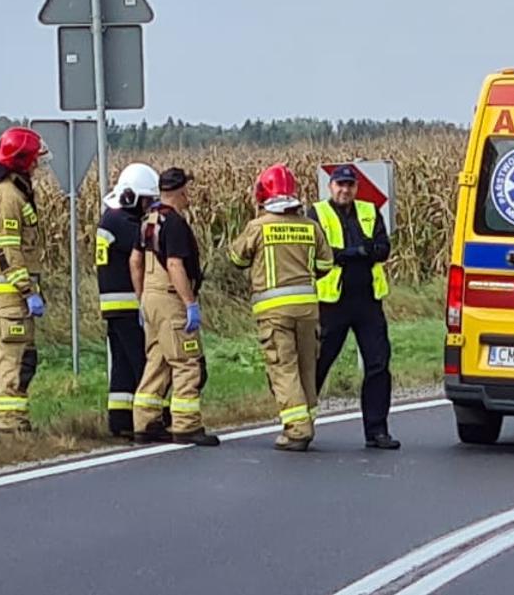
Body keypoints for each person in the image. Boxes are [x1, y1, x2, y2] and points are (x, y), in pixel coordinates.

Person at [230, 164, 334, 452]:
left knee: (283, 368)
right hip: (308, 310)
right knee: (305, 368)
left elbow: (237, 259)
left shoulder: (258, 226)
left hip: (274, 312)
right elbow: (326, 264)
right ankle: (307, 423)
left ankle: (297, 429)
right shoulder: (310, 226)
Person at [311, 166, 400, 450]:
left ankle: (377, 431)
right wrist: (358, 252)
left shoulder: (369, 211)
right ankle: (300, 423)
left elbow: (382, 249)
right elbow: (320, 254)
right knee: (319, 363)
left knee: (378, 363)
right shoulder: (316, 214)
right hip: (332, 301)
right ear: (330, 186)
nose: (344, 190)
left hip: (368, 301)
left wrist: (348, 254)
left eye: (349, 185)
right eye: (339, 185)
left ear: (356, 187)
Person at [131, 168, 219, 447]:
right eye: (187, 190)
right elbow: (174, 264)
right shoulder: (175, 224)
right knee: (186, 362)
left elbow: (135, 261)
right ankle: (185, 425)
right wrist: (189, 303)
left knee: (157, 361)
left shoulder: (148, 220)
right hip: (171, 299)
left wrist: (142, 298)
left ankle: (145, 422)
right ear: (181, 191)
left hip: (150, 298)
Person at [0, 127, 48, 433]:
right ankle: (12, 423)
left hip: (1, 294)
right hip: (11, 295)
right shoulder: (8, 197)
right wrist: (27, 290)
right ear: (23, 162)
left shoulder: (7, 192)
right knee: (17, 359)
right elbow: (8, 250)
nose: (37, 165)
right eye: (34, 160)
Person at [98, 163, 159, 437]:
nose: (148, 206)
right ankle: (152, 419)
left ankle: (120, 420)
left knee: (121, 364)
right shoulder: (121, 222)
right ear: (131, 197)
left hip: (114, 306)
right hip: (127, 304)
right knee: (143, 363)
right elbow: (146, 242)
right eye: (147, 200)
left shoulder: (110, 218)